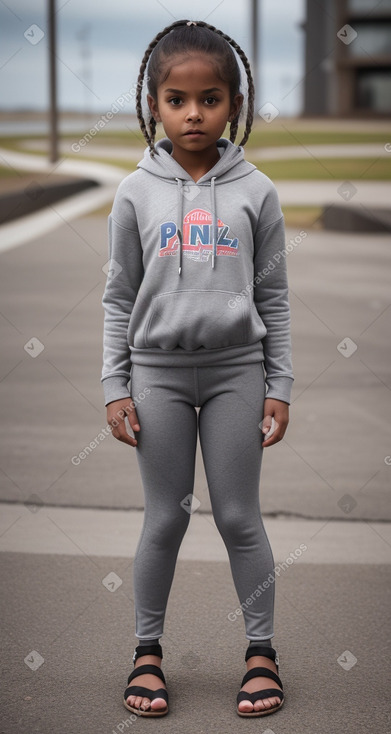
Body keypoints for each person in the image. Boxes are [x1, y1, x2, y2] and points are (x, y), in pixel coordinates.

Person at [101, 19, 294, 719]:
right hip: (154, 374)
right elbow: (118, 295)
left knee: (240, 518)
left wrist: (280, 386)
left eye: (209, 99)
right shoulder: (134, 191)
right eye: (177, 100)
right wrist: (113, 386)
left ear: (233, 104)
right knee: (163, 519)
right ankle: (146, 652)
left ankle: (260, 653)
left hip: (237, 373)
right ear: (154, 103)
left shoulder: (256, 190)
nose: (193, 114)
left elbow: (272, 295)